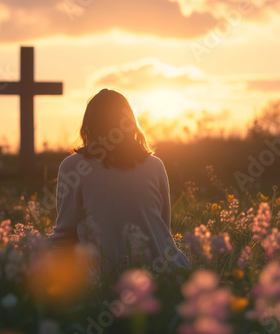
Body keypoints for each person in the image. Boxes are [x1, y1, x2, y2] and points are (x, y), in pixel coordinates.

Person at [47, 89, 190, 276]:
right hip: (164, 272)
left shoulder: (73, 166)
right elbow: (163, 230)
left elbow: (65, 235)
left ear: (89, 125)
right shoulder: (155, 165)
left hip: (104, 277)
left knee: (44, 251)